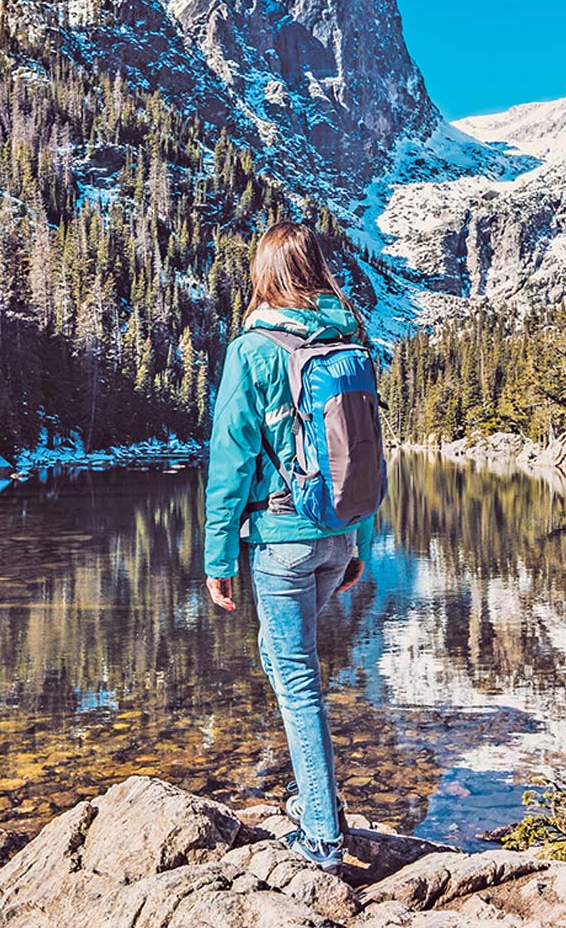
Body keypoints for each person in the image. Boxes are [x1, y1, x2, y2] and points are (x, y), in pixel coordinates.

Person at [204, 221, 377, 873]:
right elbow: (356, 450)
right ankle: (316, 794)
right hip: (335, 538)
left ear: (266, 274)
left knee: (298, 683)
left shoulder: (254, 349)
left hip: (282, 541)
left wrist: (218, 558)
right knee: (283, 662)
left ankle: (324, 837)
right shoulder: (345, 340)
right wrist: (355, 539)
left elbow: (230, 462)